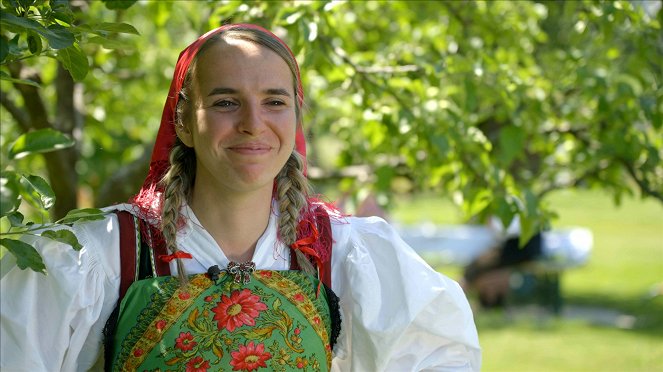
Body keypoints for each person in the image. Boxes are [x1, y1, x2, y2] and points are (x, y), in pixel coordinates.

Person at [0, 24, 480, 371]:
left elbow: (440, 358)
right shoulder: (99, 256)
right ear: (184, 122)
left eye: (275, 101)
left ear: (296, 118)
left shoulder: (346, 255)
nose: (253, 123)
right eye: (226, 102)